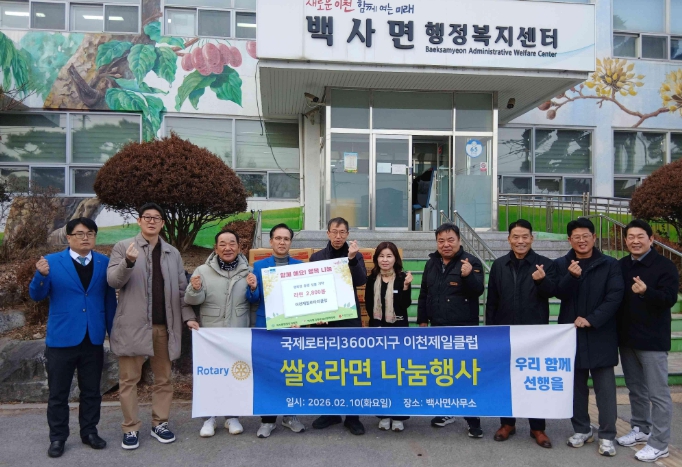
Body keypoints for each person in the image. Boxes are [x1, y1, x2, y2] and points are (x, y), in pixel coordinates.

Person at [107, 203, 199, 450]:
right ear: (139, 221)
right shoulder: (123, 247)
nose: (151, 221)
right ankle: (130, 427)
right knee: (129, 380)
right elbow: (113, 281)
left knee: (164, 379)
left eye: (156, 218)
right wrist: (128, 262)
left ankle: (160, 423)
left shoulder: (172, 253)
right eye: (146, 217)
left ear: (162, 223)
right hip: (132, 326)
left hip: (164, 327)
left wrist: (188, 317)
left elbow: (181, 290)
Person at [29, 218, 117, 458]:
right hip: (62, 338)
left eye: (90, 233)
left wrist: (113, 335)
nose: (85, 237)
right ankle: (58, 437)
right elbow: (37, 295)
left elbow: (109, 302)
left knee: (92, 391)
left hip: (93, 338)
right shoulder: (51, 262)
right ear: (68, 238)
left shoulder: (104, 263)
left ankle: (89, 432)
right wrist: (40, 275)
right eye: (79, 234)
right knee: (58, 393)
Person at [554, 217, 624, 457]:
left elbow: (615, 297)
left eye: (586, 236)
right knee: (575, 387)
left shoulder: (610, 264)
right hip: (571, 334)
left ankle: (607, 435)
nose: (581, 240)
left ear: (594, 237)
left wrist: (592, 319)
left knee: (605, 390)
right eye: (576, 237)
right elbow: (558, 293)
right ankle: (582, 429)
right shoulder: (562, 264)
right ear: (569, 240)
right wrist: (571, 276)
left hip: (600, 333)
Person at [485, 219, 557, 448]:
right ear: (509, 239)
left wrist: (542, 281)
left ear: (532, 238)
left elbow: (553, 292)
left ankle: (538, 428)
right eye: (515, 237)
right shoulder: (499, 265)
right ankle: (507, 423)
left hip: (534, 335)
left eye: (525, 236)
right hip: (505, 333)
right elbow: (492, 301)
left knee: (533, 380)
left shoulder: (544, 264)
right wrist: (491, 333)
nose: (520, 241)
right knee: (506, 380)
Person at [615, 219, 679, 463]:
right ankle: (641, 428)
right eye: (630, 237)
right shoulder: (622, 265)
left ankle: (660, 443)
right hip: (627, 339)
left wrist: (646, 292)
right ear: (625, 240)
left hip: (652, 341)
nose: (635, 241)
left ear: (651, 239)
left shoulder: (665, 266)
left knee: (658, 394)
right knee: (636, 389)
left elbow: (669, 298)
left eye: (640, 236)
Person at [417, 223, 485, 438]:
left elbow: (478, 290)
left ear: (459, 241)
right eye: (441, 241)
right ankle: (446, 411)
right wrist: (422, 320)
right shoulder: (431, 263)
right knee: (443, 371)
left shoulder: (471, 262)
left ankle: (473, 421)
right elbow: (424, 293)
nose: (446, 244)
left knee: (465, 374)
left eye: (450, 240)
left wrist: (468, 275)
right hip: (437, 327)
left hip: (463, 330)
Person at [185, 228, 252, 438]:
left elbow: (253, 302)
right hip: (211, 334)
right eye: (222, 244)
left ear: (239, 247)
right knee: (210, 375)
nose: (227, 248)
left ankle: (232, 417)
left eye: (232, 243)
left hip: (238, 332)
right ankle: (209, 418)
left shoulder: (248, 272)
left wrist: (254, 288)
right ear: (215, 248)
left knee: (236, 375)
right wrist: (195, 289)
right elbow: (192, 300)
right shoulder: (202, 271)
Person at [245, 223, 307, 438]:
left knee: (292, 371)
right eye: (278, 238)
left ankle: (290, 416)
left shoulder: (299, 266)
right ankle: (267, 420)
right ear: (270, 241)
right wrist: (253, 287)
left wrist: (304, 319)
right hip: (267, 327)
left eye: (286, 239)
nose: (282, 242)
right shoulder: (259, 266)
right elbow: (253, 299)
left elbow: (305, 298)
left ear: (290, 242)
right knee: (268, 372)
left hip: (293, 327)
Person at [309, 217, 367, 436]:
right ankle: (330, 412)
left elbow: (360, 281)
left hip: (348, 317)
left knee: (350, 366)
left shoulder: (356, 255)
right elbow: (312, 288)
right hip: (323, 319)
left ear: (348, 234)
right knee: (326, 366)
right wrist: (315, 314)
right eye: (334, 231)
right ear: (327, 233)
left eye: (342, 232)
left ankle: (352, 416)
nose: (338, 236)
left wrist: (351, 259)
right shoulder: (317, 257)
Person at [365, 241, 413, 432]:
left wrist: (406, 287)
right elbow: (369, 306)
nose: (385, 260)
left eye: (389, 256)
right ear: (377, 259)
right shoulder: (372, 279)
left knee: (398, 374)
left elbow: (404, 305)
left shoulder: (403, 277)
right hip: (378, 332)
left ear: (395, 259)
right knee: (381, 374)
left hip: (398, 332)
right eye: (382, 256)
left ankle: (398, 416)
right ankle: (383, 414)